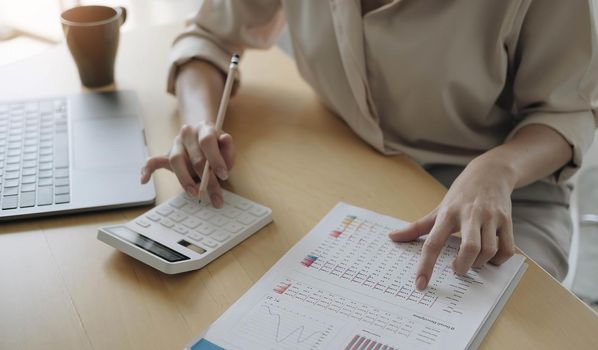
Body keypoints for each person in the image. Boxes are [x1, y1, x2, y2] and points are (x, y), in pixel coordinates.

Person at [140, 0, 598, 290]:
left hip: (503, 191)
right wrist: (199, 121)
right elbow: (208, 36)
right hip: (349, 160)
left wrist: (498, 169)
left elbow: (565, 113)